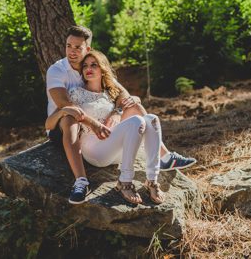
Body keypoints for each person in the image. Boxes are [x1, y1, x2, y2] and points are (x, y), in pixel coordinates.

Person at [46, 25, 196, 204]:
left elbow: (125, 95)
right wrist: (95, 124)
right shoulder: (58, 71)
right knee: (70, 115)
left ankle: (158, 169)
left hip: (108, 138)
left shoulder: (100, 77)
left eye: (78, 47)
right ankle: (84, 180)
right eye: (69, 46)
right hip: (65, 129)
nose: (72, 51)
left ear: (88, 49)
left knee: (150, 118)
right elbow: (66, 106)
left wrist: (117, 112)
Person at [46, 50, 165, 205]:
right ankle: (125, 182)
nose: (88, 68)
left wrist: (130, 102)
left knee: (152, 119)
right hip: (95, 150)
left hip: (116, 149)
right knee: (137, 121)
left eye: (94, 65)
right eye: (85, 66)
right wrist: (63, 111)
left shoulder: (111, 93)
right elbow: (48, 124)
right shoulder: (75, 93)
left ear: (103, 69)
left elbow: (130, 105)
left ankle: (152, 181)